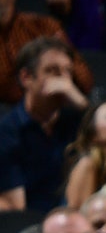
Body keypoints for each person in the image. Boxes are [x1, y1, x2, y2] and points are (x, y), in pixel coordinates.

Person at [0, 37, 86, 212]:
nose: (64, 81)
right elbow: (17, 207)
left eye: (68, 71)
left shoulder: (78, 121)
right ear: (26, 77)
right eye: (53, 71)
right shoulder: (7, 130)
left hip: (78, 219)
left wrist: (81, 103)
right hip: (31, 226)